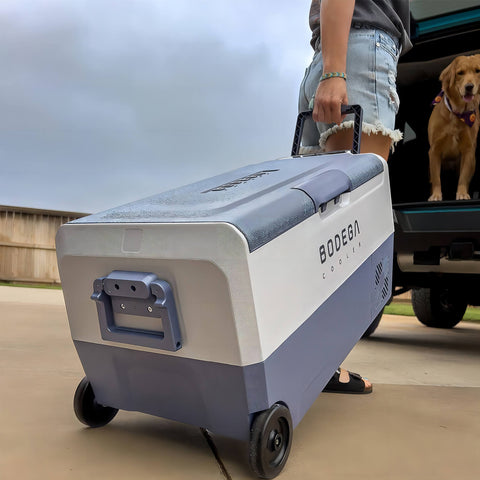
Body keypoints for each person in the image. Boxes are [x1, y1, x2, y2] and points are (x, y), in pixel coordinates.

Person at [298, 0, 411, 393]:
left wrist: (328, 68)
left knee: (318, 231)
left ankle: (313, 361)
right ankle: (321, 362)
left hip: (331, 56)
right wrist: (334, 72)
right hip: (355, 58)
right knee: (351, 229)